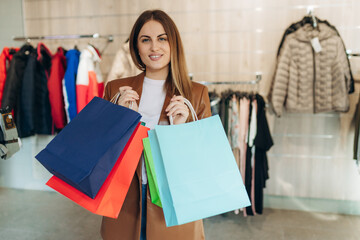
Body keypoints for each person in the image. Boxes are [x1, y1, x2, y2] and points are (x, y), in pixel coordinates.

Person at [101, 9, 211, 240]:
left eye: (162, 38)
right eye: (145, 40)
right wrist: (120, 119)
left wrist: (180, 130)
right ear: (136, 47)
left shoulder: (196, 94)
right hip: (126, 198)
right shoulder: (115, 89)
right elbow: (100, 154)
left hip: (171, 200)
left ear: (173, 44)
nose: (154, 47)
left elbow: (203, 162)